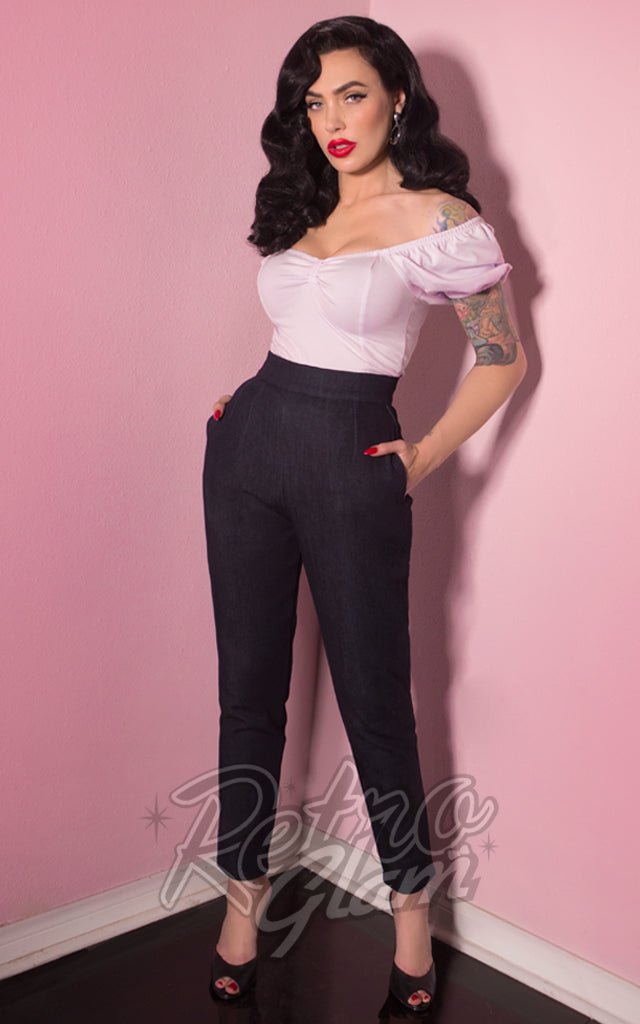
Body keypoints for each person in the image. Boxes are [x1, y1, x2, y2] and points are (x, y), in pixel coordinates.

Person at [203, 14, 526, 1015]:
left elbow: (504, 359)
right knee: (247, 695)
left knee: (376, 700)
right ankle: (241, 908)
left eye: (351, 94)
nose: (333, 119)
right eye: (314, 102)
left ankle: (412, 924)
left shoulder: (441, 219)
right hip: (248, 452)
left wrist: (422, 454)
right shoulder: (301, 204)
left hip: (354, 461)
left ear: (396, 97)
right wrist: (244, 404)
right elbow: (297, 329)